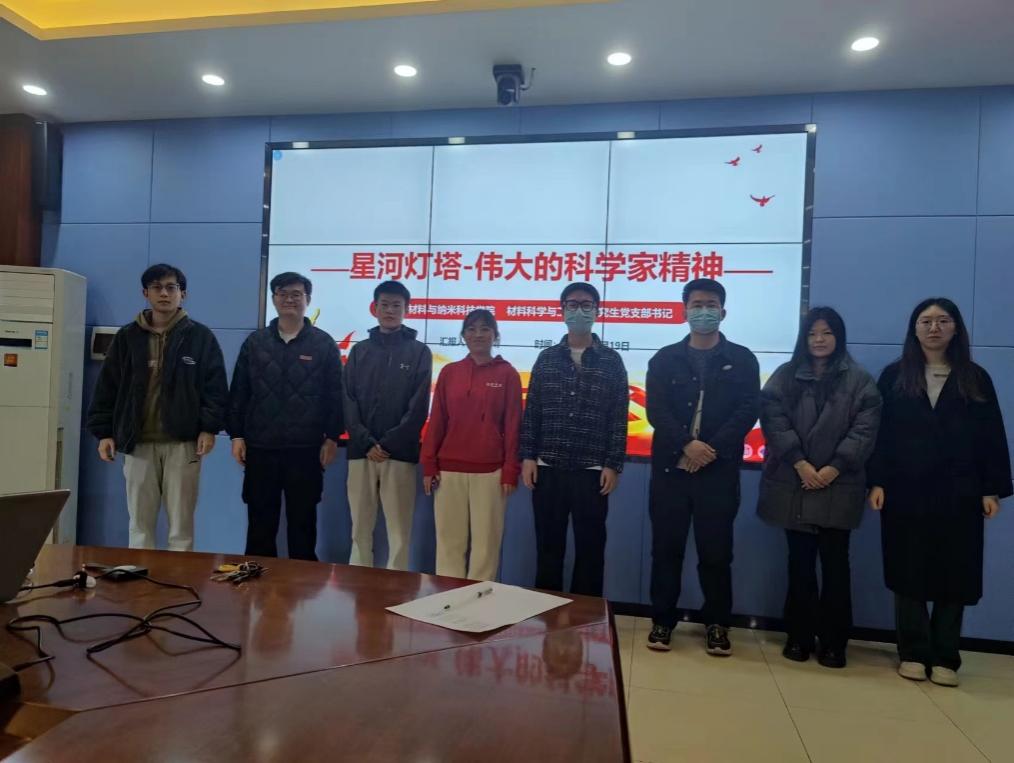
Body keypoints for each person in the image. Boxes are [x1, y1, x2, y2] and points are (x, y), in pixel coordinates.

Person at [869, 298, 1011, 687]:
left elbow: (991, 436)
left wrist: (991, 489)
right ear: (914, 329)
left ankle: (946, 655)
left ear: (956, 328)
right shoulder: (894, 376)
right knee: (907, 567)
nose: (934, 328)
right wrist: (877, 481)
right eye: (926, 321)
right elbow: (880, 435)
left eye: (943, 321)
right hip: (904, 488)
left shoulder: (975, 377)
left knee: (956, 571)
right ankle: (913, 652)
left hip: (960, 491)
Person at [757, 307, 882, 668]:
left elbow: (865, 430)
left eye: (827, 333)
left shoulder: (860, 380)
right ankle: (798, 636)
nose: (819, 340)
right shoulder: (785, 376)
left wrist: (833, 467)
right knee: (799, 564)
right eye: (813, 333)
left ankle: (834, 642)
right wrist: (800, 463)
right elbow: (773, 420)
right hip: (794, 481)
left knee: (836, 566)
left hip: (838, 485)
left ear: (838, 337)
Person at [645, 278, 759, 656]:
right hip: (670, 473)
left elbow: (748, 410)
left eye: (711, 305)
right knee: (666, 551)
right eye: (696, 305)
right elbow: (656, 410)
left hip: (718, 472)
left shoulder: (743, 359)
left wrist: (710, 449)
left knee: (716, 554)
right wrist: (686, 444)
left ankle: (717, 624)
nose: (703, 311)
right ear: (684, 311)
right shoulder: (664, 359)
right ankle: (662, 621)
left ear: (723, 312)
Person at [87, 263, 228, 552]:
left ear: (182, 294)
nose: (164, 293)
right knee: (140, 525)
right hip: (137, 442)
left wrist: (209, 428)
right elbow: (108, 386)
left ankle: (180, 578)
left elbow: (215, 388)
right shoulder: (127, 337)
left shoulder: (200, 337)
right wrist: (104, 433)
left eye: (171, 288)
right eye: (157, 287)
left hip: (183, 443)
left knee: (181, 527)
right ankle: (140, 579)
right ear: (145, 293)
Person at [520, 282, 629, 598]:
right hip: (548, 466)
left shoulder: (611, 360)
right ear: (562, 310)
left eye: (586, 305)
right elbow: (533, 410)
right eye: (572, 304)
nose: (579, 311)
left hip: (592, 470)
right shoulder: (547, 358)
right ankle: (546, 613)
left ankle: (586, 616)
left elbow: (618, 416)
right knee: (548, 546)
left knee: (591, 548)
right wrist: (528, 456)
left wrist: (613, 464)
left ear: (597, 311)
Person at [228, 272, 342, 561]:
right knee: (260, 525)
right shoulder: (255, 342)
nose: (289, 299)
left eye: (296, 294)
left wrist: (332, 438)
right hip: (261, 448)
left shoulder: (323, 343)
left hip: (305, 449)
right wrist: (237, 435)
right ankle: (257, 584)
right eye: (283, 293)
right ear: (274, 299)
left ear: (308, 300)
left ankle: (302, 587)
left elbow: (335, 395)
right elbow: (239, 391)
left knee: (303, 526)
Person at [421, 310, 522, 581]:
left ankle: (480, 598)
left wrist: (510, 470)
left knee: (486, 546)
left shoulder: (508, 374)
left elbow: (513, 426)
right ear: (463, 335)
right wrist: (429, 464)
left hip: (490, 473)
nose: (478, 334)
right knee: (449, 543)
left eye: (485, 329)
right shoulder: (449, 373)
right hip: (448, 471)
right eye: (472, 329)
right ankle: (448, 596)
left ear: (495, 335)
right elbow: (437, 421)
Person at [343, 280, 432, 570]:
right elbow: (348, 400)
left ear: (407, 310)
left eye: (396, 305)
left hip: (400, 454)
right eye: (384, 304)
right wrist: (367, 442)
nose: (390, 310)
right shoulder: (360, 351)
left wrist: (388, 443)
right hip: (361, 452)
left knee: (399, 533)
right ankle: (359, 585)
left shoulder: (419, 352)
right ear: (375, 308)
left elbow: (418, 407)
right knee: (359, 529)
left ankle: (397, 587)